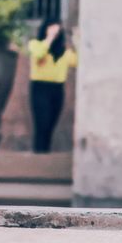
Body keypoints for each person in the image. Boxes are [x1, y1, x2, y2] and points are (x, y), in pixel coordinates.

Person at [26, 20, 78, 154]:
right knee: (42, 122)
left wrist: (77, 39)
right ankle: (39, 154)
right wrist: (49, 37)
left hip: (57, 89)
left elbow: (78, 61)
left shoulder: (64, 52)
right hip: (40, 87)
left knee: (50, 124)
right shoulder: (35, 44)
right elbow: (39, 54)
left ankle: (45, 153)